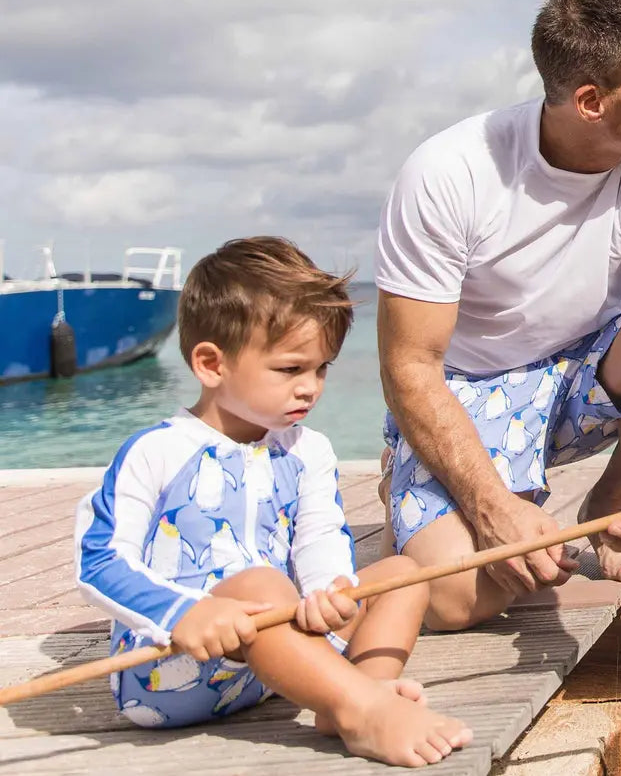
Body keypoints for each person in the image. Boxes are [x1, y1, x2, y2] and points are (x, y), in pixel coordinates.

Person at [375, 0, 621, 632]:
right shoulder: (448, 172)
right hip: (467, 393)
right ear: (591, 101)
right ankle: (408, 473)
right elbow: (410, 367)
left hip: (582, 376)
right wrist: (490, 506)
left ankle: (610, 505)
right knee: (457, 602)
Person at [74, 236, 472, 768]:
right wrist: (185, 612)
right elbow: (99, 561)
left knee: (403, 572)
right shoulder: (157, 451)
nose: (311, 388)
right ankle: (364, 709)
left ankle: (353, 699)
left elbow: (320, 536)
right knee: (262, 585)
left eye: (322, 368)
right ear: (212, 365)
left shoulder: (310, 451)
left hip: (284, 668)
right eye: (290, 369)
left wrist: (333, 589)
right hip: (174, 669)